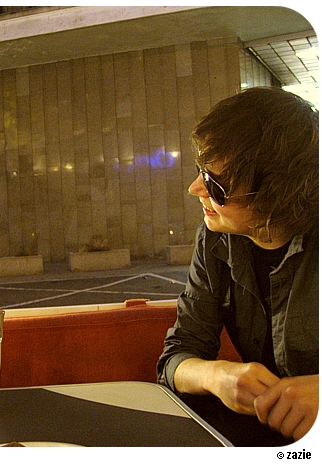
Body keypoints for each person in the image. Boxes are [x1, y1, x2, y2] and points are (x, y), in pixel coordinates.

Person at [157, 87, 318, 446]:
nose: (194, 188)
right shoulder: (216, 239)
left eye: (215, 184)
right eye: (200, 171)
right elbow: (177, 356)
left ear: (276, 193)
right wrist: (217, 376)